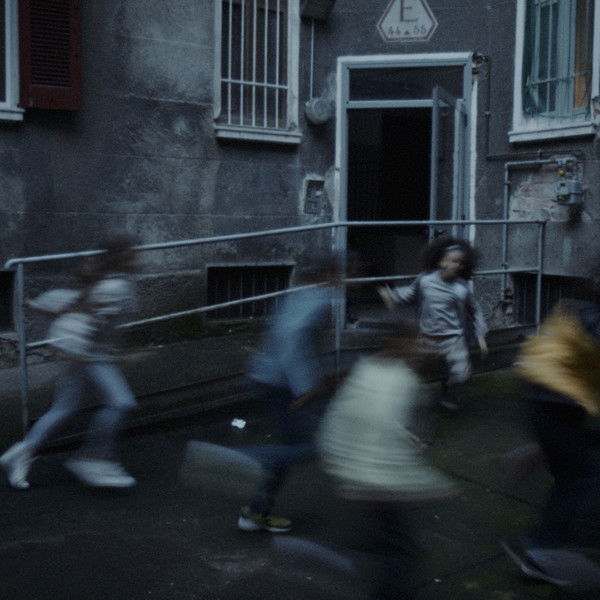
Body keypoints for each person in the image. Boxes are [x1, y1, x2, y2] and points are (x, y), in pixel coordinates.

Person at [316, 322, 457, 599]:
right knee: (403, 551)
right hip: (380, 483)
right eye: (415, 340)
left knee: (386, 538)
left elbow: (365, 419)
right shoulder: (402, 380)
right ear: (398, 343)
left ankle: (354, 561)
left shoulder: (367, 369)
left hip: (360, 477)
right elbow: (381, 440)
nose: (421, 345)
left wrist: (404, 436)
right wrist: (431, 484)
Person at [0, 235, 141, 490]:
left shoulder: (107, 281)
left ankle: (21, 454)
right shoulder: (115, 286)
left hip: (85, 353)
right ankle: (93, 458)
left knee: (65, 407)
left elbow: (77, 308)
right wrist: (82, 352)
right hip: (91, 356)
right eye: (134, 253)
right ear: (122, 256)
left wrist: (39, 307)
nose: (139, 259)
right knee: (121, 402)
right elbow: (92, 323)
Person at [233, 252, 342, 533]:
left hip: (268, 377)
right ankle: (251, 465)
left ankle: (256, 509)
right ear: (332, 275)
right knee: (302, 449)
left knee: (296, 445)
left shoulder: (298, 293)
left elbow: (284, 336)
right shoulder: (318, 300)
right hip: (282, 385)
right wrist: (307, 389)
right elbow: (293, 340)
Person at [501, 285, 600, 588]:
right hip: (557, 405)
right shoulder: (592, 321)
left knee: (573, 469)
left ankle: (543, 541)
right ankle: (542, 554)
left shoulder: (578, 309)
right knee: (581, 478)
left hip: (546, 401)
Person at [378, 236, 488, 409]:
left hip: (453, 339)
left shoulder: (461, 288)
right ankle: (400, 401)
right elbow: (410, 294)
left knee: (462, 374)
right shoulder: (425, 280)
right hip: (427, 335)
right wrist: (392, 296)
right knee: (411, 370)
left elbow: (475, 312)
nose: (456, 265)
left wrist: (480, 336)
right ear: (440, 262)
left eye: (460, 263)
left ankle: (449, 392)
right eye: (453, 261)